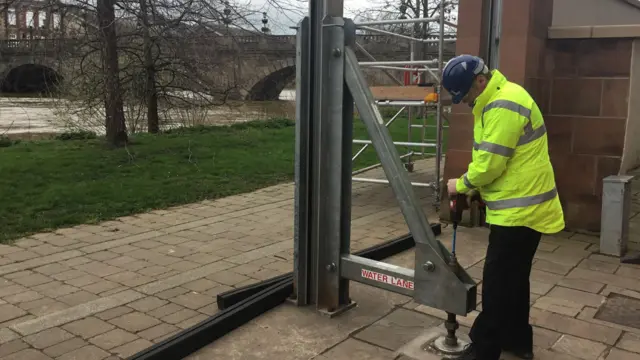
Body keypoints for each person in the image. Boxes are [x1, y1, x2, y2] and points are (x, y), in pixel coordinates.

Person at [441, 54, 565, 360]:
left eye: (466, 95)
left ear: (480, 81)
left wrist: (463, 184)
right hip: (523, 207)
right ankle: (517, 341)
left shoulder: (502, 104)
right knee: (514, 279)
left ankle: (484, 350)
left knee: (498, 282)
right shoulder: (498, 99)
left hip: (521, 211)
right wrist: (479, 189)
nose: (466, 102)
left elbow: (490, 164)